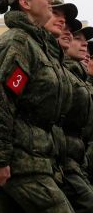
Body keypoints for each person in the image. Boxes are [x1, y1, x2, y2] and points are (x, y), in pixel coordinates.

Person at [0, 0, 74, 212]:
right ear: (25, 2)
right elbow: (0, 101)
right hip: (22, 161)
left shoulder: (36, 44)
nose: (50, 1)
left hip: (36, 157)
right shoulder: (18, 43)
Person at [60, 25, 93, 213]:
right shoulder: (59, 73)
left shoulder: (75, 75)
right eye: (77, 38)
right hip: (63, 162)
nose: (84, 45)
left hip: (77, 160)